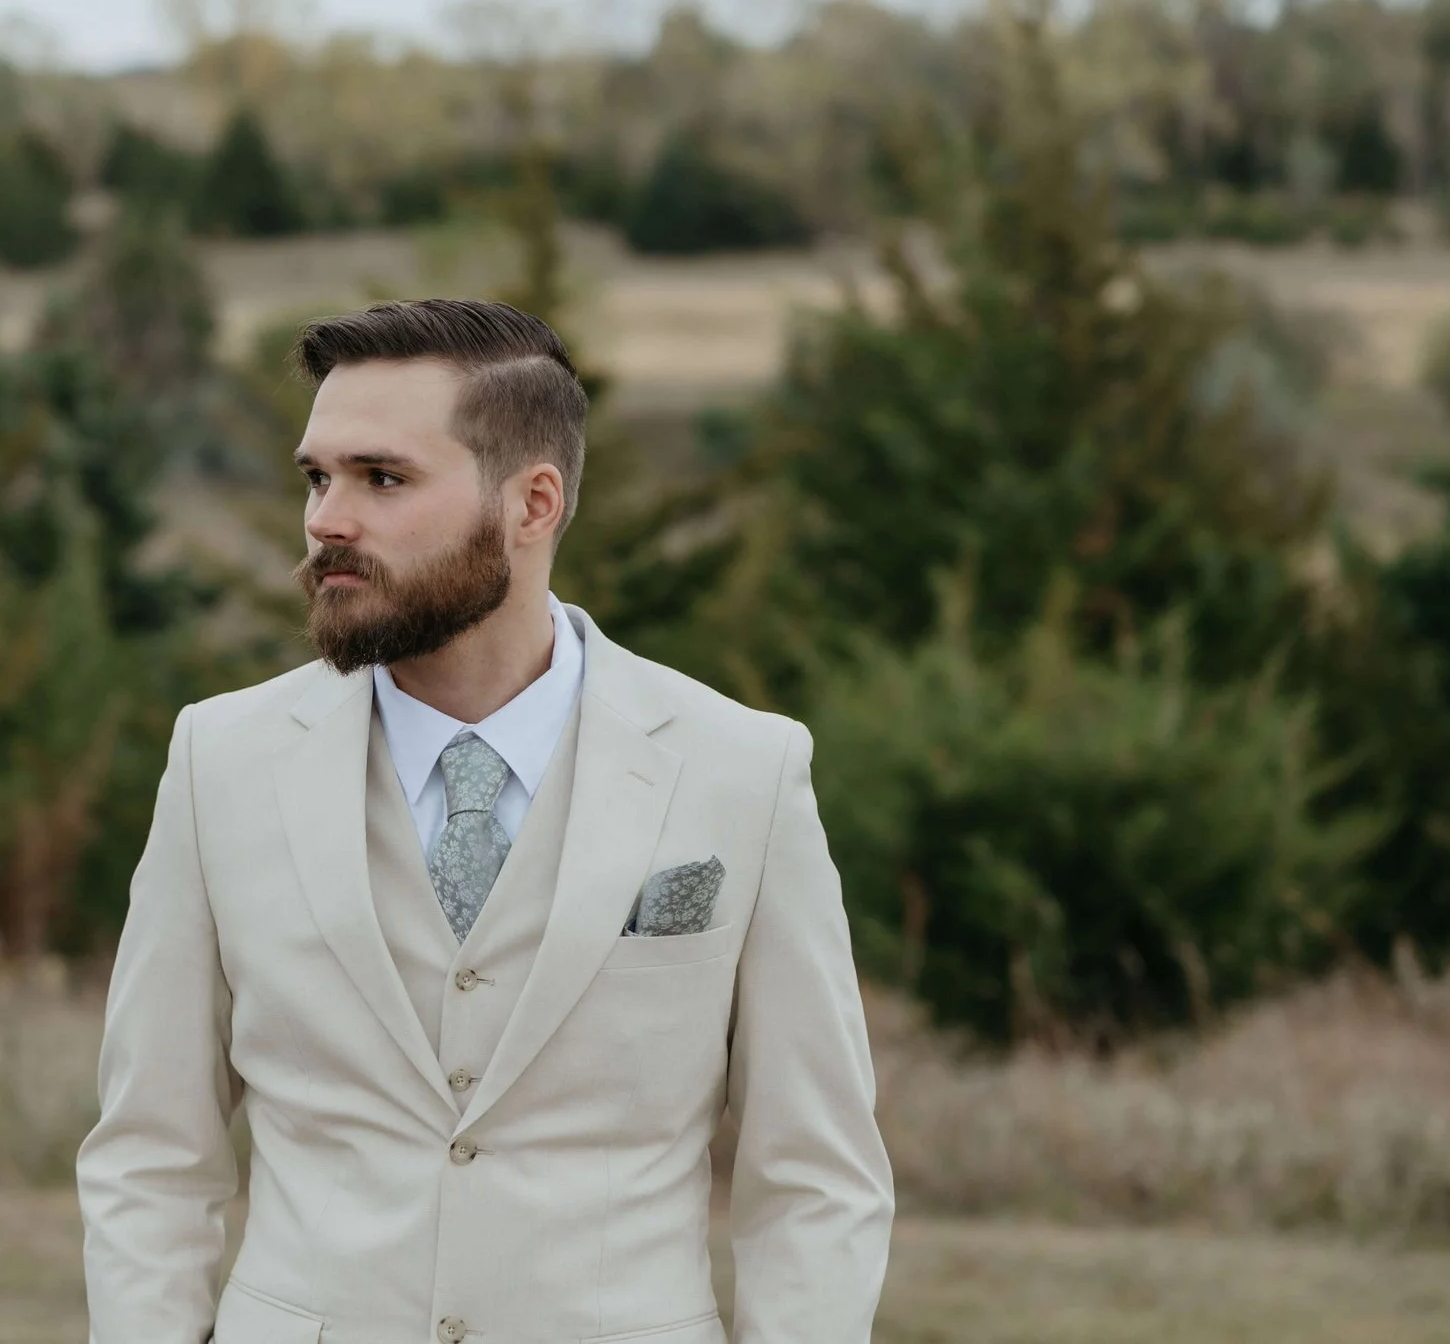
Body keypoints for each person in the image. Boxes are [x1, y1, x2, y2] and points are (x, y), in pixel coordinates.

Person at [77, 299, 893, 1344]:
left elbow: (816, 1178)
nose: (327, 520)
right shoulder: (219, 761)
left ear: (533, 503)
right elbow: (152, 1156)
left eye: (382, 478)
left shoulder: (742, 768)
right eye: (317, 477)